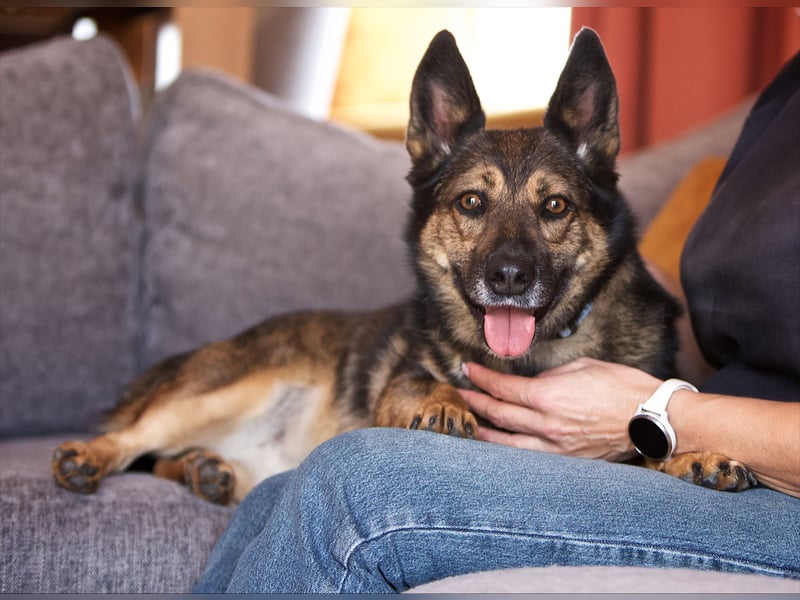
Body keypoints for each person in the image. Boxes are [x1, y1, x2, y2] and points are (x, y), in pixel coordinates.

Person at [193, 50, 800, 593]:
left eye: (552, 207)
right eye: (474, 205)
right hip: (706, 427)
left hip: (772, 497)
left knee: (352, 482)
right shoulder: (783, 98)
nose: (510, 262)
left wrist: (658, 418)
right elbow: (729, 332)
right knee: (277, 497)